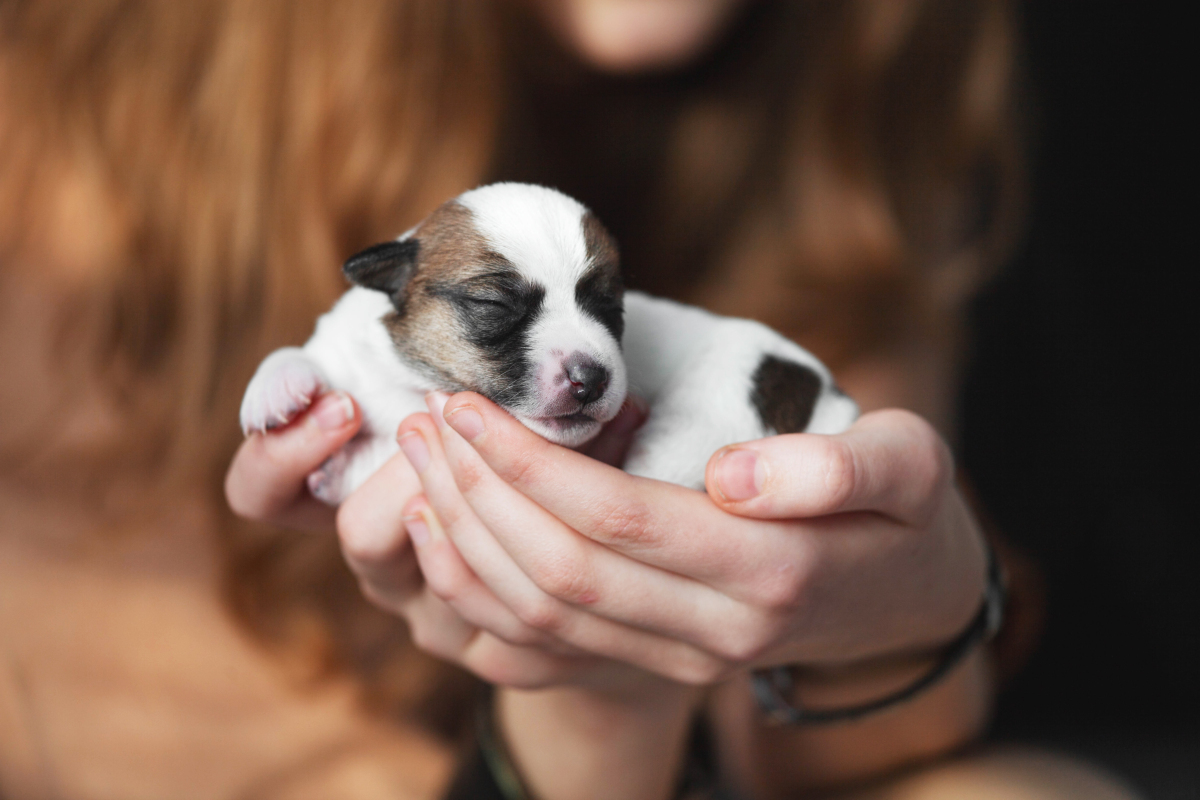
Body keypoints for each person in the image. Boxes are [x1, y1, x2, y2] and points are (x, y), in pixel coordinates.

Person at [0, 1, 1139, 798]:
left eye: (606, 304)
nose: (589, 364)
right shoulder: (80, 124)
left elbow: (822, 753)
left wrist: (920, 611)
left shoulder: (849, 96)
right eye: (501, 311)